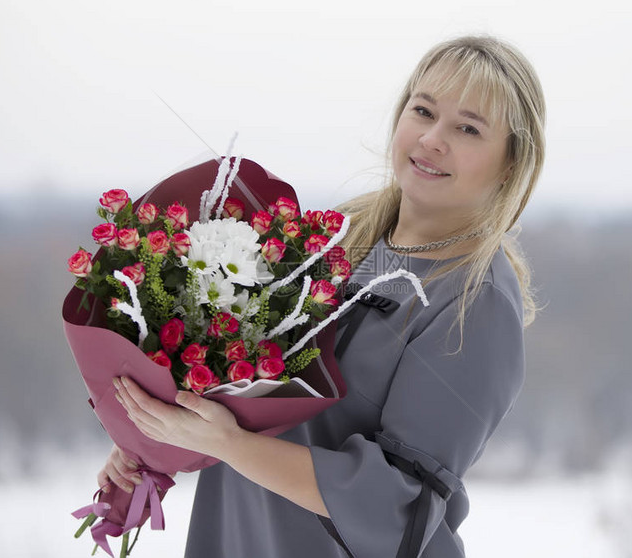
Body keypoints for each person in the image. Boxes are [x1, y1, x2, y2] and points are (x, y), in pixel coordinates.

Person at [103, 34, 546, 557]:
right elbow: (245, 386)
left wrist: (229, 444)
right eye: (423, 110)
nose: (432, 139)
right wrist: (157, 438)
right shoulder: (343, 240)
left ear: (512, 165)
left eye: (468, 128)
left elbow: (401, 508)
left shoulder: (476, 300)